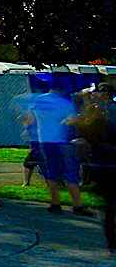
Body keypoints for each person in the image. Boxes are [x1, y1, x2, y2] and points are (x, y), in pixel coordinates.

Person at [20, 83, 88, 215]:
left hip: (44, 141)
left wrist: (29, 130)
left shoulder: (39, 100)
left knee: (51, 173)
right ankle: (77, 205)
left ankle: (55, 203)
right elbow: (71, 120)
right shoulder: (65, 103)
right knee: (70, 173)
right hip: (63, 141)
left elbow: (29, 119)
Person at [74, 82, 116, 252]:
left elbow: (84, 128)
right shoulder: (99, 112)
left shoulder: (98, 113)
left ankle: (111, 240)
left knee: (109, 207)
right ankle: (111, 239)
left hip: (103, 164)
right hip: (105, 164)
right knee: (110, 206)